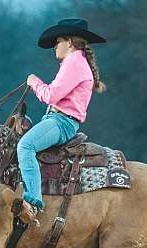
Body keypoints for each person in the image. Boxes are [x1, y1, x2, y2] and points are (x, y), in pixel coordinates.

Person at [18, 18, 107, 224]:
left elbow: (51, 95)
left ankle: (33, 200)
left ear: (69, 42)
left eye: (57, 42)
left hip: (61, 123)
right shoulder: (76, 61)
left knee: (26, 146)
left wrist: (34, 82)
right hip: (59, 120)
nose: (54, 47)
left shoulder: (75, 61)